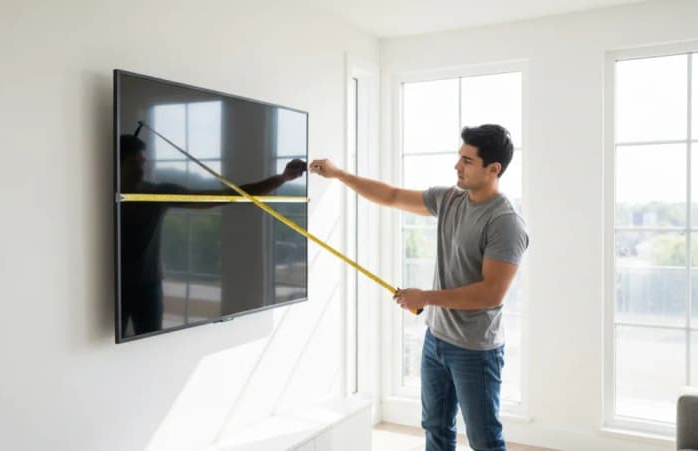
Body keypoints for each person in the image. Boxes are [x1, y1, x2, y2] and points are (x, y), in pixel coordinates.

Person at [309, 124, 528, 451]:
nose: (457, 166)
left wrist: (425, 297)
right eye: (459, 157)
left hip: (475, 350)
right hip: (436, 339)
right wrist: (339, 174)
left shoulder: (505, 222)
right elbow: (391, 195)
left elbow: (490, 293)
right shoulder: (451, 199)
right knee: (436, 428)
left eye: (468, 161)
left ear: (493, 169)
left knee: (484, 440)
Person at [119, 130, 306, 337]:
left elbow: (226, 195)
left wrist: (283, 178)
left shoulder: (157, 193)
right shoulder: (100, 193)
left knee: (151, 342)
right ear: (119, 164)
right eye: (133, 162)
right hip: (114, 285)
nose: (140, 169)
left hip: (149, 285)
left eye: (142, 162)